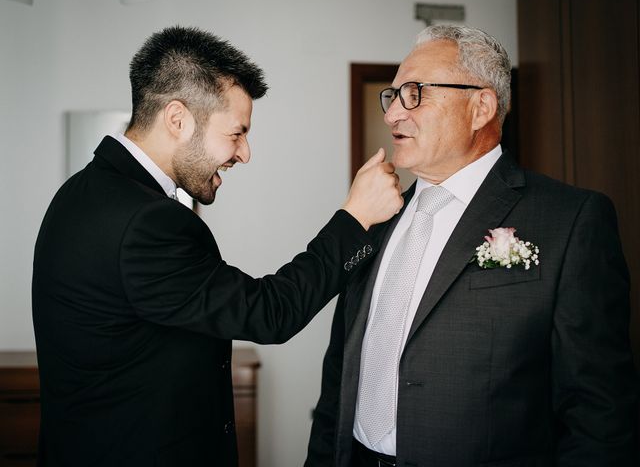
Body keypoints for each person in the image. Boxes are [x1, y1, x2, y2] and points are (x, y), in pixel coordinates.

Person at [32, 25, 403, 467]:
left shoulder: (82, 192)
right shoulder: (147, 221)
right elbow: (270, 313)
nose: (244, 153)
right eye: (236, 133)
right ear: (177, 118)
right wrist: (355, 218)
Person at [306, 25, 638, 467]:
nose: (392, 115)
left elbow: (599, 411)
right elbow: (340, 373)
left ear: (480, 106)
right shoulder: (375, 218)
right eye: (392, 96)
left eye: (415, 93)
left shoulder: (571, 220)